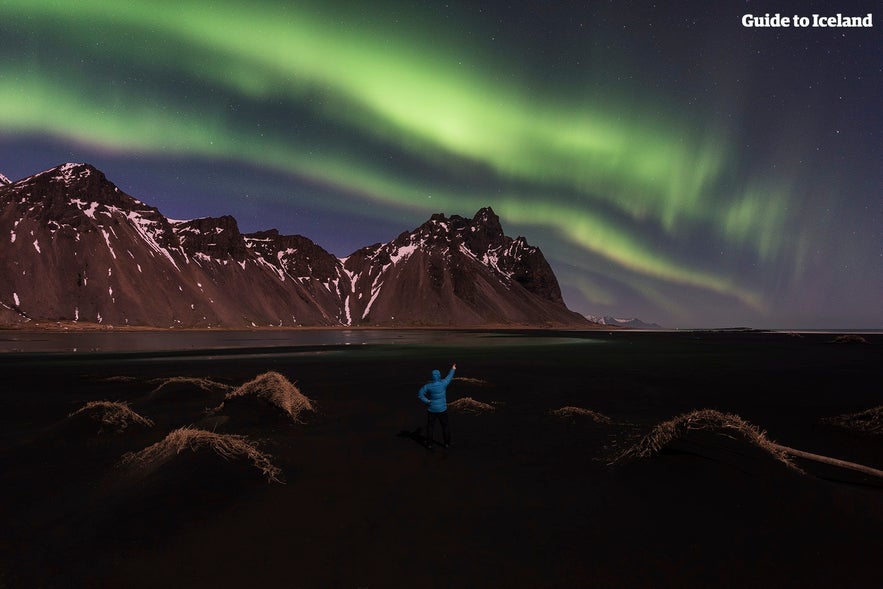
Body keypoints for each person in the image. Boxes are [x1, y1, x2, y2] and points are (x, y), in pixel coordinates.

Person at [417, 363, 456, 449]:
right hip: (442, 410)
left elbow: (420, 394)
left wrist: (427, 401)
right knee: (445, 427)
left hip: (431, 410)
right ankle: (447, 444)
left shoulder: (428, 386)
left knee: (430, 427)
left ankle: (429, 444)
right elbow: (449, 377)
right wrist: (453, 368)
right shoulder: (443, 383)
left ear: (432, 377)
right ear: (439, 376)